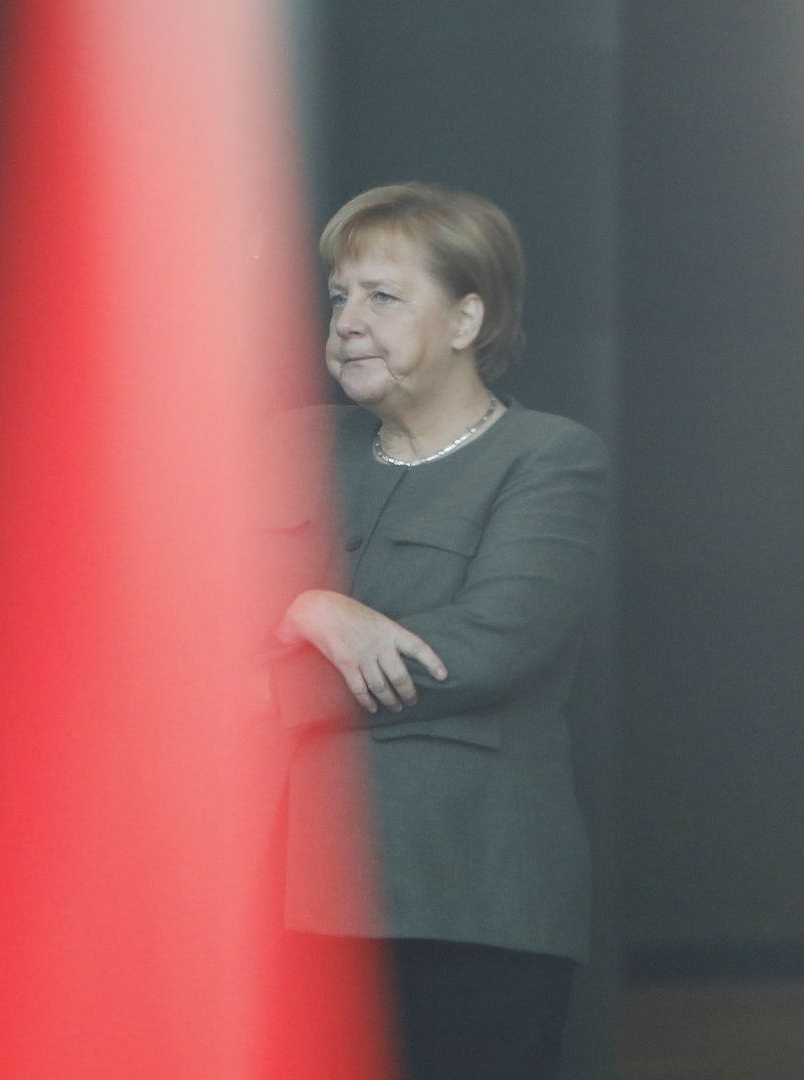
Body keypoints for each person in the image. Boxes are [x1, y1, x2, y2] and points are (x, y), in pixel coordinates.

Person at [266, 182, 609, 1080]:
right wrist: (308, 608)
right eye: (339, 296)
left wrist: (268, 691)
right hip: (275, 896)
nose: (347, 322)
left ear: (466, 319)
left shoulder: (549, 457)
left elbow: (490, 644)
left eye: (383, 296)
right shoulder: (290, 443)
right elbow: (179, 599)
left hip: (464, 896)